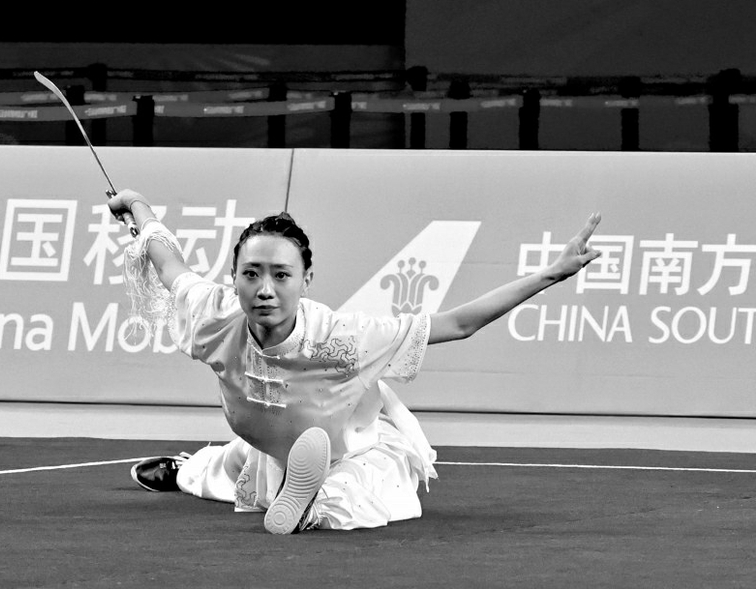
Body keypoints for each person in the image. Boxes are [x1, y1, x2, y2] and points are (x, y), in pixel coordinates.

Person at [108, 190, 602, 535]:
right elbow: (168, 262)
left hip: (351, 447)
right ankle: (187, 469)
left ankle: (306, 506)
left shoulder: (344, 337)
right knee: (224, 469)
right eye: (251, 274)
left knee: (345, 503)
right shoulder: (214, 313)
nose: (264, 289)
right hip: (269, 439)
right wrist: (137, 207)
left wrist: (551, 275)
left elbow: (457, 324)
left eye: (281, 275)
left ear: (306, 280)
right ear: (233, 277)